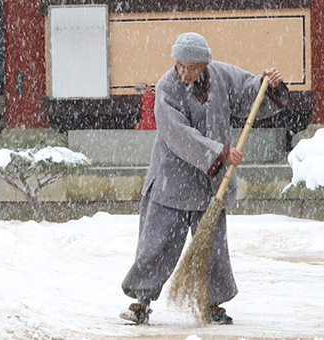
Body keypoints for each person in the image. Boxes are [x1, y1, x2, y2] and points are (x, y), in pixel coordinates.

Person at [119, 32, 288, 325]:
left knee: (212, 248)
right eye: (180, 65)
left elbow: (251, 92)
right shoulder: (166, 87)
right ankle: (141, 302)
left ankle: (212, 305)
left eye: (192, 67)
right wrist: (220, 152)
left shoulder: (221, 76)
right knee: (157, 244)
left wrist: (268, 84)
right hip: (171, 180)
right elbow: (178, 133)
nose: (185, 72)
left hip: (210, 186)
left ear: (204, 64)